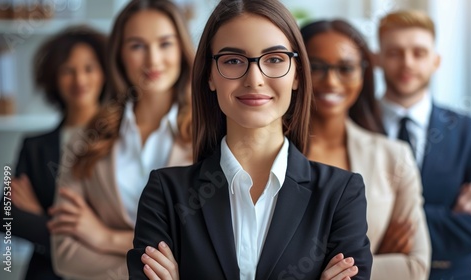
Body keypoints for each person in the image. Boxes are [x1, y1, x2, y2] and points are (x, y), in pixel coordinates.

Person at [127, 1, 373, 279]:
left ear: (297, 74)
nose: (254, 79)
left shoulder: (341, 194)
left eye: (275, 59)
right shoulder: (165, 193)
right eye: (233, 60)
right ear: (209, 75)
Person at [48, 0, 194, 279]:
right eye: (137, 46)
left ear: (181, 49)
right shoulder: (86, 137)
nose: (152, 60)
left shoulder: (208, 135)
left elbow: (203, 251)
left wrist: (105, 238)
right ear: (119, 55)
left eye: (165, 44)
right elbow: (65, 254)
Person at [301, 19, 431, 280]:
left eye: (346, 68)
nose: (331, 80)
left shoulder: (394, 156)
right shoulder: (267, 152)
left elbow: (416, 268)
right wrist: (367, 259)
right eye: (316, 67)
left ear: (363, 74)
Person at [377, 10, 471, 280]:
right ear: (378, 59)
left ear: (436, 61)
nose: (407, 63)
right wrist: (451, 216)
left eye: (419, 53)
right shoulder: (353, 126)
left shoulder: (470, 132)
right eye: (395, 53)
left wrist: (383, 227)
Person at [0, 25, 109, 280]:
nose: (80, 79)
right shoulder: (34, 145)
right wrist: (84, 236)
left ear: (104, 73)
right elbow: (4, 215)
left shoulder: (121, 139)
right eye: (68, 70)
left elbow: (124, 224)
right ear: (54, 77)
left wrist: (39, 215)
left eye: (89, 68)